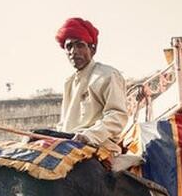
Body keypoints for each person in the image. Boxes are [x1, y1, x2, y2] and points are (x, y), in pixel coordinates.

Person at [55, 17, 128, 154]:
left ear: (92, 49)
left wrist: (89, 136)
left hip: (98, 146)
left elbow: (117, 116)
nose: (73, 51)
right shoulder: (69, 82)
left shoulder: (108, 75)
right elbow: (63, 124)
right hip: (68, 145)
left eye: (80, 45)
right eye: (69, 47)